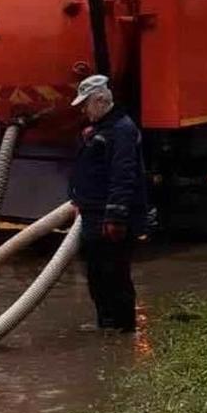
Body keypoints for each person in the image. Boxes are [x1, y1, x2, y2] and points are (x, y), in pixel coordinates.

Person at [68, 74, 148, 333]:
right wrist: (78, 199)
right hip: (93, 214)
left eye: (86, 104)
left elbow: (123, 176)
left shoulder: (123, 130)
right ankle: (106, 325)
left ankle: (124, 330)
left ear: (101, 100)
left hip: (110, 218)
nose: (83, 110)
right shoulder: (100, 130)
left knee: (116, 274)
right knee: (96, 274)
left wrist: (115, 218)